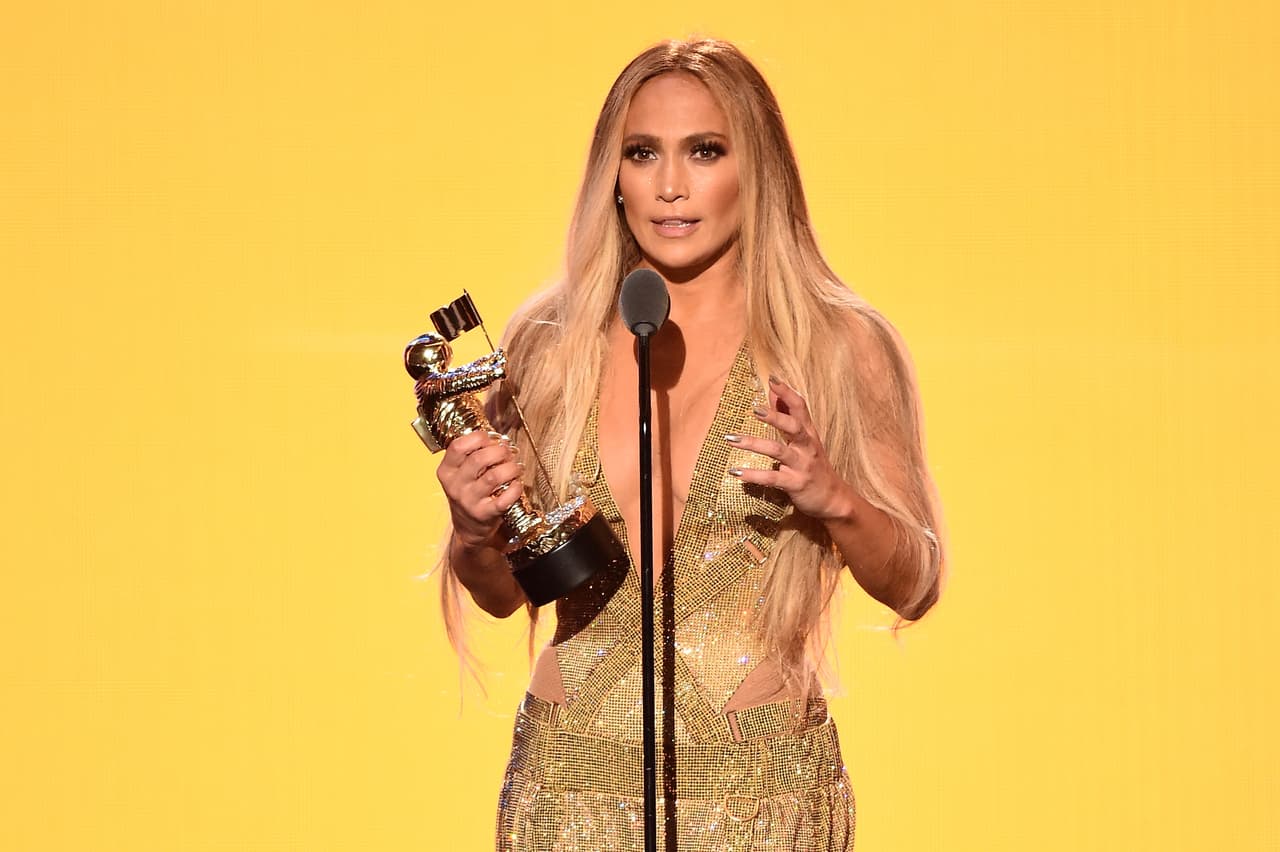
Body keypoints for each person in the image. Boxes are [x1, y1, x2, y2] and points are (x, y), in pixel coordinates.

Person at [431, 37, 945, 851]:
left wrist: (834, 497)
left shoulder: (835, 347)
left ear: (759, 168)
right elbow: (503, 595)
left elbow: (916, 582)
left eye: (705, 151)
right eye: (643, 154)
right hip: (568, 798)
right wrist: (469, 531)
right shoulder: (547, 346)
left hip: (756, 805)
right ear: (615, 177)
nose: (671, 186)